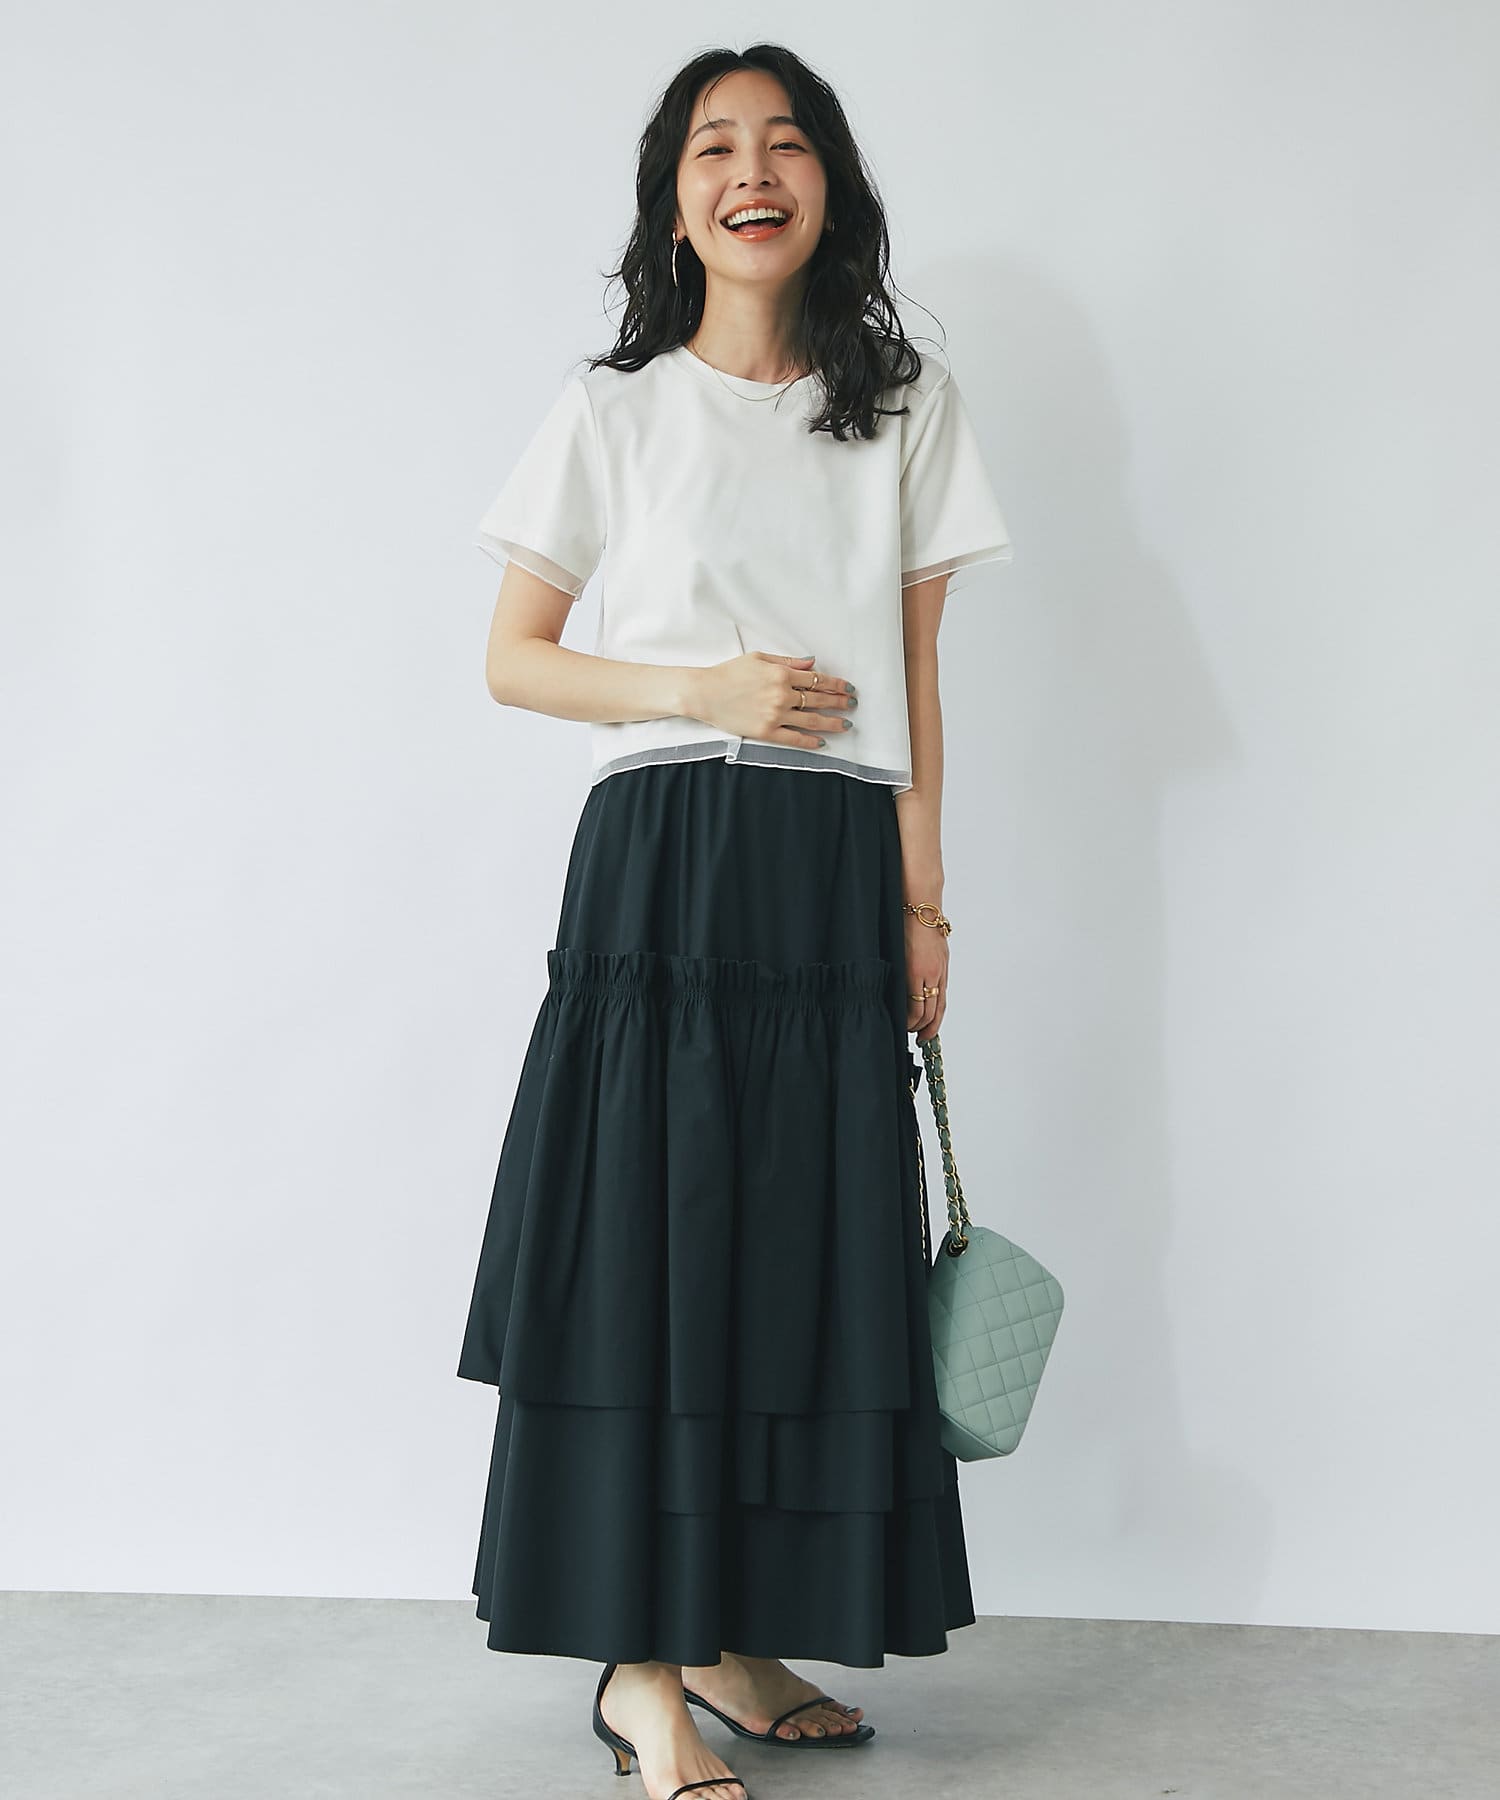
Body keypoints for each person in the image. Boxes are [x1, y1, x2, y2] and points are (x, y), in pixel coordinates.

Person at [456, 42, 1014, 1800]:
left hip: (832, 868)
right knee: (652, 1251)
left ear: (829, 186)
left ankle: (727, 1638)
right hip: (668, 858)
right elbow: (514, 658)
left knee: (792, 1257)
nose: (750, 171)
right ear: (675, 199)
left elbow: (916, 679)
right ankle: (640, 1672)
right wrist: (698, 684)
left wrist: (924, 905)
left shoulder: (903, 403)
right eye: (714, 147)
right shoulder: (614, 409)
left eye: (784, 143)